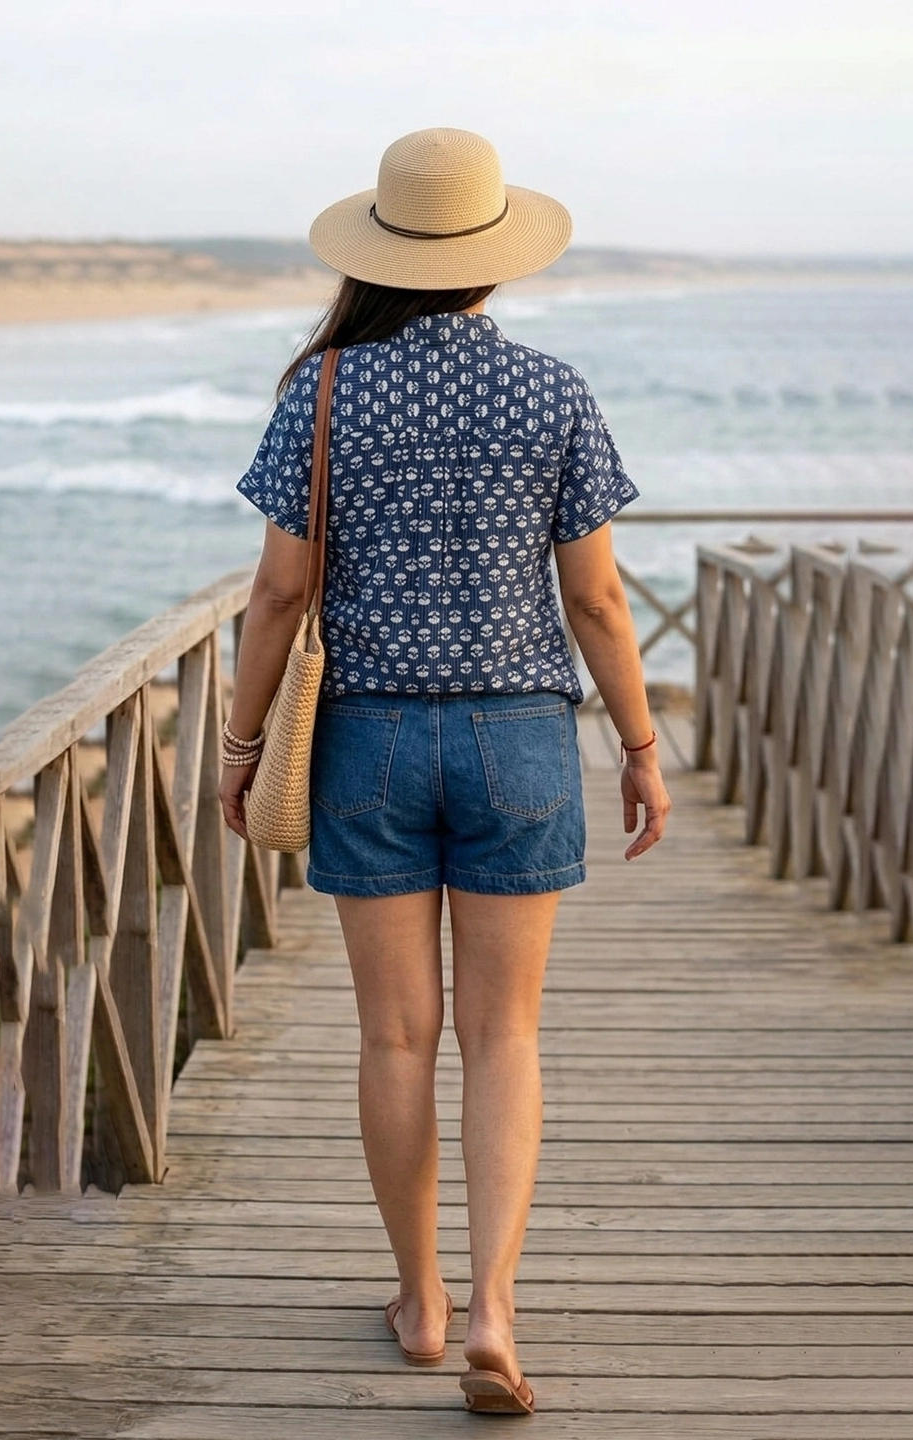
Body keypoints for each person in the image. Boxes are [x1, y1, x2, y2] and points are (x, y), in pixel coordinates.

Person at [219, 128, 670, 1416]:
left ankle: (416, 1303)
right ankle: (494, 1311)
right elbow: (596, 602)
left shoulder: (320, 392)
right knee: (504, 1034)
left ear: (375, 251)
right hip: (521, 736)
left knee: (397, 1036)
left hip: (367, 738)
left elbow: (277, 591)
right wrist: (639, 748)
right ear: (493, 257)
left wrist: (244, 747)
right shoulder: (550, 389)